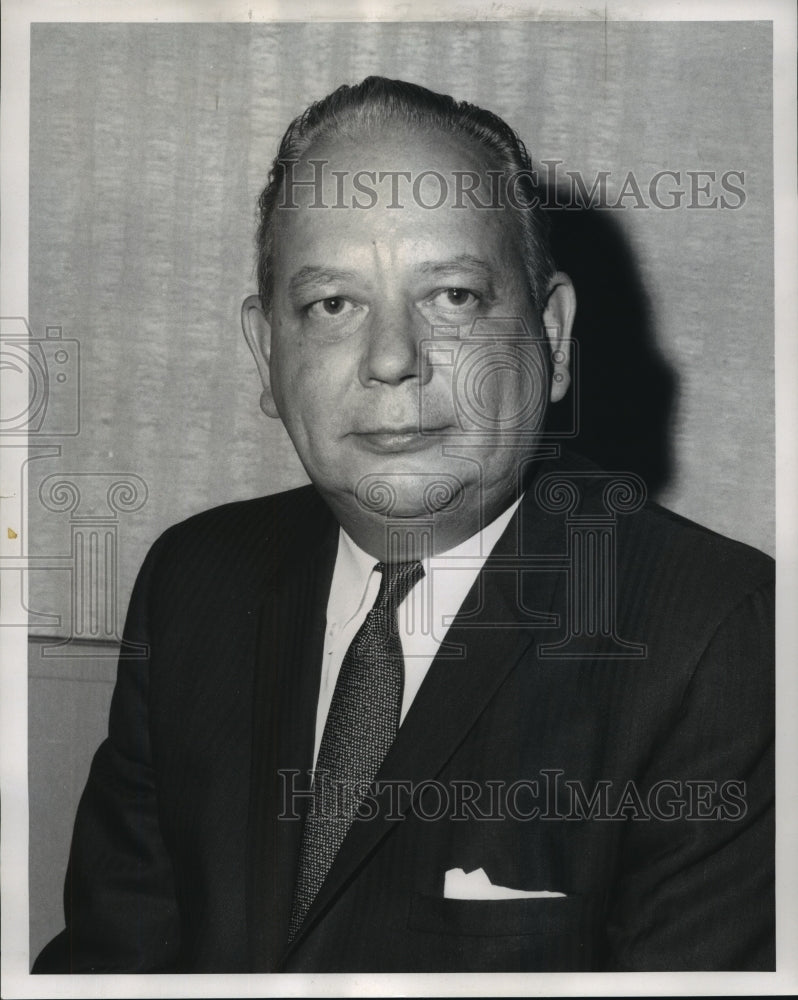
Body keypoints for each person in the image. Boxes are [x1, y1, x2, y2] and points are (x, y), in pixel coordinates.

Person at [33, 76, 774, 974]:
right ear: (267, 356)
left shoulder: (722, 636)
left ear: (555, 338)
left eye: (454, 296)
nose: (393, 360)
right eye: (332, 305)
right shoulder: (195, 580)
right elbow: (113, 964)